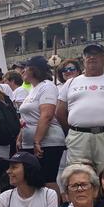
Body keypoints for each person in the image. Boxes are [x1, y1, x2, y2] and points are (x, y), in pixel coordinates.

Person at [55, 43, 104, 172]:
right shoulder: (71, 83)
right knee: (79, 176)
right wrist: (74, 130)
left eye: (96, 54)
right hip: (78, 138)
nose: (91, 57)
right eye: (88, 55)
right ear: (83, 60)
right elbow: (59, 113)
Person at [16, 56, 66, 195]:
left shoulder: (47, 86)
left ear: (33, 70)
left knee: (47, 179)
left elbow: (47, 115)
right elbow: (27, 117)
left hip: (48, 142)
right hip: (29, 143)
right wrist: (20, 137)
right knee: (34, 179)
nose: (22, 71)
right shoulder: (33, 89)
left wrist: (37, 140)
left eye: (25, 68)